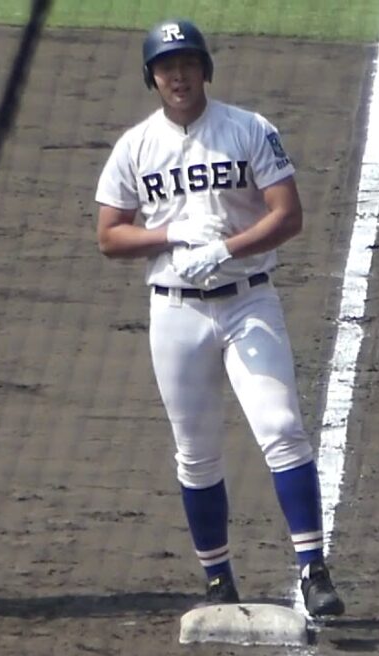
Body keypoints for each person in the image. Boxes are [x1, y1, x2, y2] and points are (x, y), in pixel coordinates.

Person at [94, 19, 344, 616]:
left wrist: (225, 249)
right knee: (196, 451)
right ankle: (217, 579)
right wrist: (170, 235)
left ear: (205, 69)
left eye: (187, 63)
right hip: (174, 313)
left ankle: (313, 569)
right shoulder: (134, 146)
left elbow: (288, 215)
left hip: (248, 300)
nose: (177, 76)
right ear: (152, 77)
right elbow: (109, 235)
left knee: (281, 427)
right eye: (166, 67)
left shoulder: (249, 129)